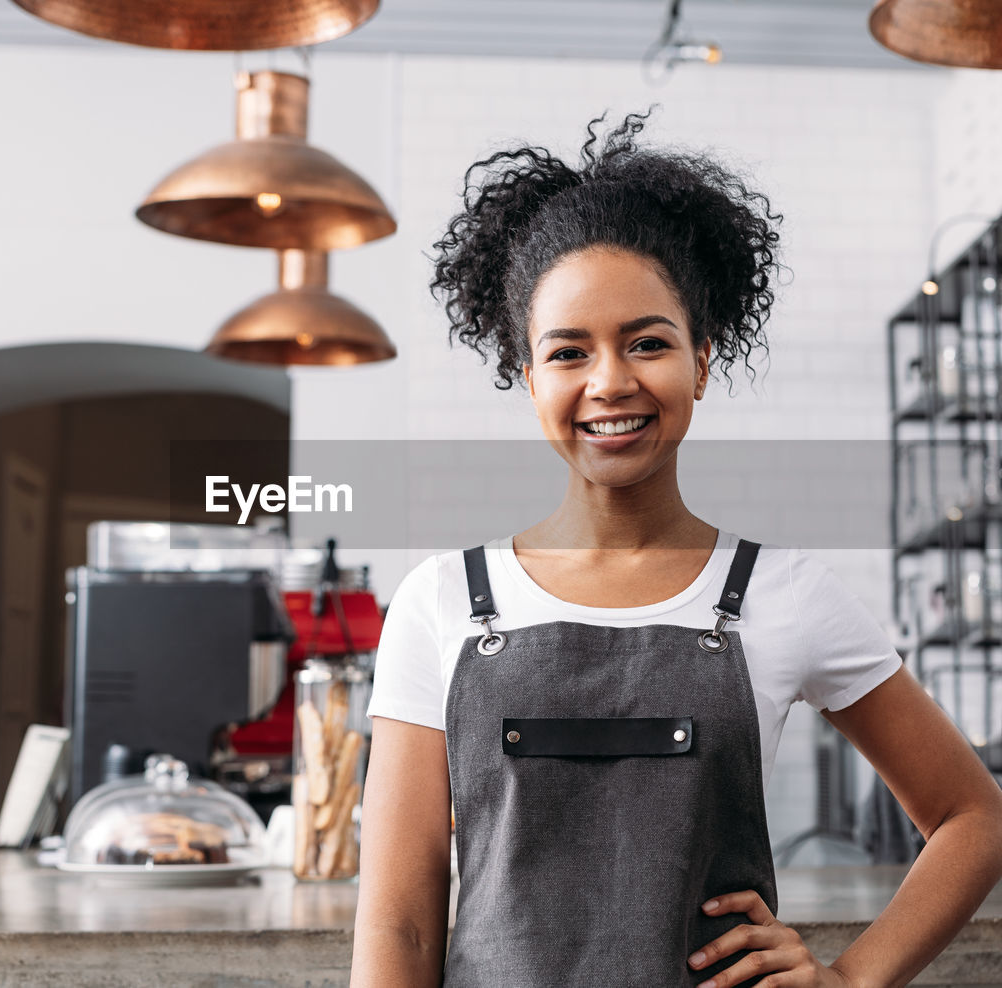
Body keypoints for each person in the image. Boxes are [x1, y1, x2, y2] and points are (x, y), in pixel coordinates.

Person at [350, 108, 1002, 987]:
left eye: (647, 343)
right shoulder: (440, 601)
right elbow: (398, 927)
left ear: (700, 360)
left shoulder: (786, 593)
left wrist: (851, 980)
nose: (610, 381)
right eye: (569, 352)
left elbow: (975, 818)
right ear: (529, 376)